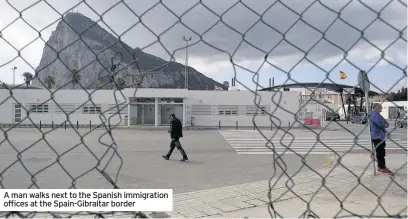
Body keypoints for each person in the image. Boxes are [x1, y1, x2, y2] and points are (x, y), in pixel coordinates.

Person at [370, 103, 392, 174]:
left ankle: (381, 166)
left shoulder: (377, 115)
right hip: (377, 137)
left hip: (380, 136)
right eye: (380, 108)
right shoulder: (375, 115)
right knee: (380, 152)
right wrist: (386, 124)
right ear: (376, 108)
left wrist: (385, 123)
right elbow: (381, 124)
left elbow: (384, 122)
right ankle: (382, 167)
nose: (381, 109)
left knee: (381, 152)